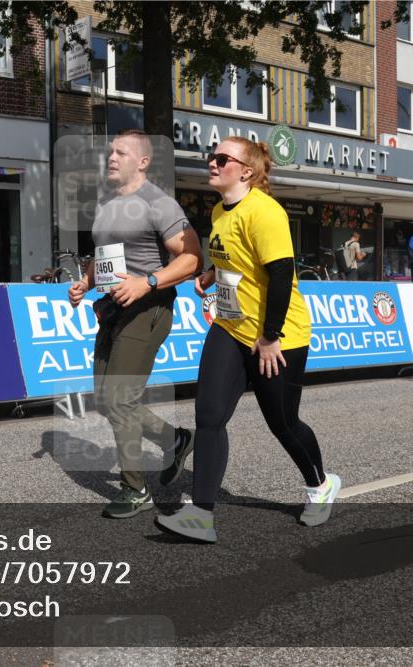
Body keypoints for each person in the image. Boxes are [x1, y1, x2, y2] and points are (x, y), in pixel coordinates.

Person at [155, 137, 339, 544]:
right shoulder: (221, 210)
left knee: (283, 423)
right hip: (231, 326)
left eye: (222, 158)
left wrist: (271, 337)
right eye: (212, 156)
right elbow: (233, 260)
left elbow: (279, 276)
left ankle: (320, 484)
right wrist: (210, 275)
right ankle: (200, 515)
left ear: (247, 170)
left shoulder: (265, 211)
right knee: (209, 415)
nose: (213, 163)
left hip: (277, 335)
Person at [67, 129, 202, 519]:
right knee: (106, 400)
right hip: (112, 309)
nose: (111, 157)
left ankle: (134, 488)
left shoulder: (158, 203)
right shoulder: (108, 203)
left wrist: (148, 282)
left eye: (120, 152)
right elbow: (104, 255)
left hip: (150, 308)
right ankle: (174, 439)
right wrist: (86, 283)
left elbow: (192, 258)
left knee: (121, 399)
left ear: (142, 161)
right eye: (111, 152)